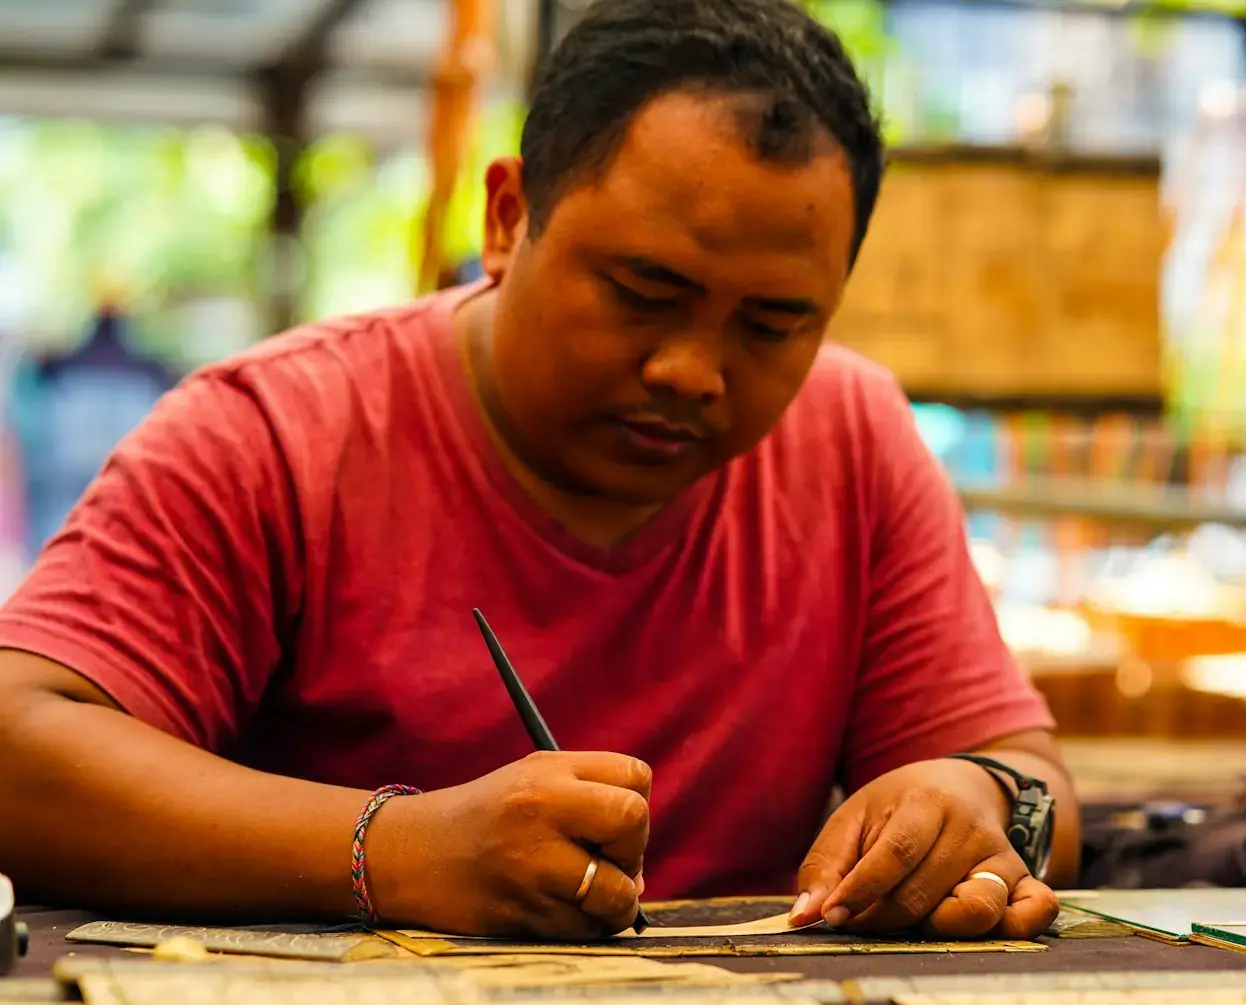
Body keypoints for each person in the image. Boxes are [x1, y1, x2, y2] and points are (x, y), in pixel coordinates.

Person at [0, 0, 1079, 942]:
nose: (691, 370)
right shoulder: (276, 432)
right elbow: (18, 744)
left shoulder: (852, 436)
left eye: (774, 322)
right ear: (508, 216)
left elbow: (1033, 781)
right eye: (643, 291)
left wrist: (972, 795)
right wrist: (400, 851)